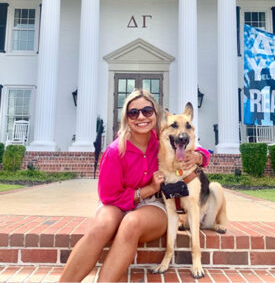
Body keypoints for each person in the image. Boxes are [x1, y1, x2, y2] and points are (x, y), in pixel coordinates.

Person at [59, 89, 210, 282]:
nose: (141, 117)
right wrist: (148, 189)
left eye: (147, 111)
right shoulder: (115, 151)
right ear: (127, 118)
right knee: (102, 226)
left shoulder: (162, 140)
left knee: (131, 223)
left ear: (156, 116)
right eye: (133, 112)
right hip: (117, 203)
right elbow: (108, 197)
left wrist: (199, 156)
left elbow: (196, 146)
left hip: (151, 206)